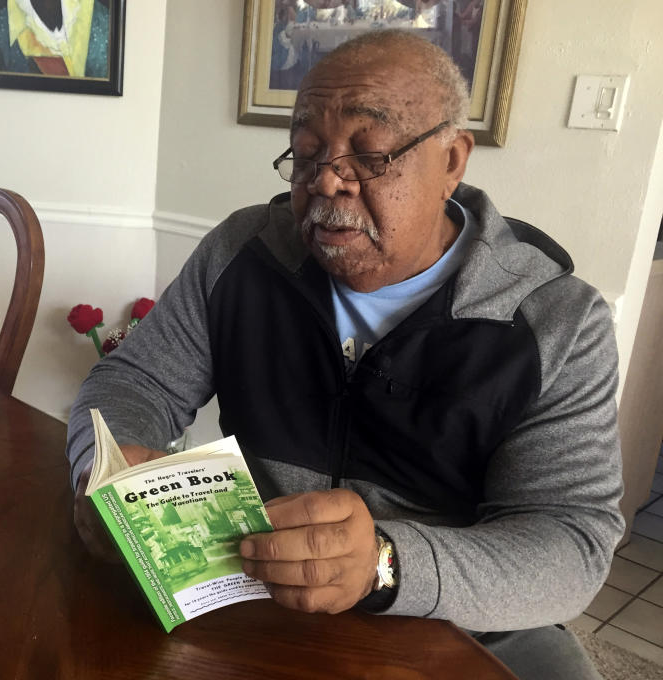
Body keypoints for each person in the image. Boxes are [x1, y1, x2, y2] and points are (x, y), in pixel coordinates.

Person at [66, 29, 623, 680]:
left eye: (370, 154)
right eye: (306, 153)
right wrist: (105, 466)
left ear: (453, 160)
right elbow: (135, 380)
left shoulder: (556, 322)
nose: (327, 181)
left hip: (462, 624)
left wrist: (386, 564)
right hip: (257, 588)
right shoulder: (242, 254)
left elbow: (569, 542)